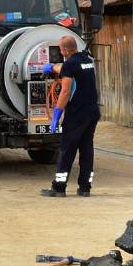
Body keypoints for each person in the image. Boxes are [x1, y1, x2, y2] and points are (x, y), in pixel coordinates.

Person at [39, 36, 101, 197]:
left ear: (66, 50)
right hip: (92, 111)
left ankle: (59, 187)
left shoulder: (70, 64)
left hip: (77, 113)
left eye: (60, 49)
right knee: (87, 149)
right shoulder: (86, 60)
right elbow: (68, 68)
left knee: (67, 149)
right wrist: (52, 68)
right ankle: (85, 187)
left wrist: (56, 115)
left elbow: (65, 92)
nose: (59, 51)